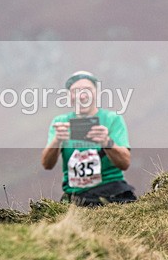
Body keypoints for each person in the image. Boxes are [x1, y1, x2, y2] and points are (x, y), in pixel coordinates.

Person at [41, 71, 136, 206]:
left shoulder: (112, 119)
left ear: (96, 94)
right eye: (76, 91)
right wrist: (57, 141)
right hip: (75, 195)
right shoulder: (60, 122)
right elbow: (47, 164)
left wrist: (106, 141)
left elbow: (125, 163)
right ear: (69, 96)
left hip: (112, 190)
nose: (82, 95)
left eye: (87, 90)